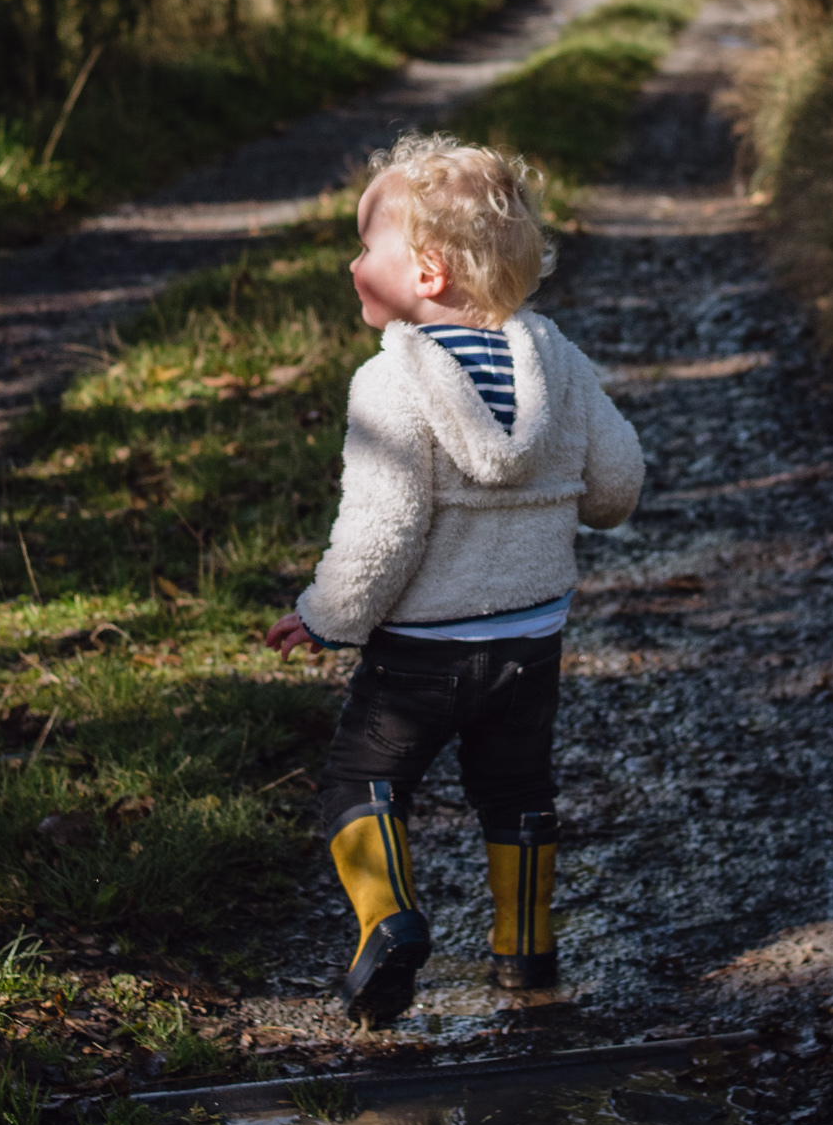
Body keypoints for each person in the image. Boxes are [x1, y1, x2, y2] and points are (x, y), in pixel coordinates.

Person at [265, 133, 645, 1027]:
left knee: (363, 781)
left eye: (366, 246)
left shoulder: (389, 384)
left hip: (422, 655)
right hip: (530, 645)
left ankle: (390, 923)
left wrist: (327, 614)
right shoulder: (560, 363)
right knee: (517, 793)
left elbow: (384, 528)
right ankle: (526, 956)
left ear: (428, 272)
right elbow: (617, 486)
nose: (353, 264)